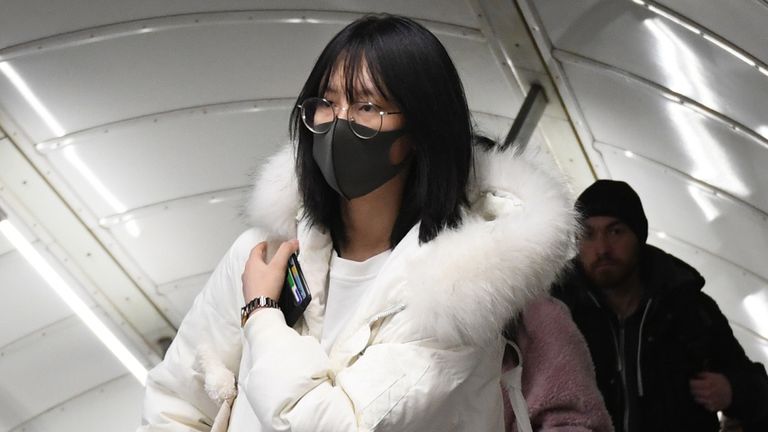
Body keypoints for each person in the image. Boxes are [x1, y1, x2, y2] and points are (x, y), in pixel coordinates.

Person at [139, 15, 578, 432]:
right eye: (327, 102)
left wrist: (261, 314)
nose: (339, 122)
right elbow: (175, 403)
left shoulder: (455, 295)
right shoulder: (264, 253)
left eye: (367, 106)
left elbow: (332, 424)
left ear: (420, 130)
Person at [552, 179, 768, 432]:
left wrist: (731, 390)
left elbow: (758, 390)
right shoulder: (559, 312)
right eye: (588, 234)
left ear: (638, 236)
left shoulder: (688, 309)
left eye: (615, 231)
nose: (602, 248)